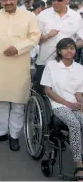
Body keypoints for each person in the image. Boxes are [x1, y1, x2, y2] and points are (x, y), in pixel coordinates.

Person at [0, 0, 41, 151]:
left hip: (19, 65)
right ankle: (1, 133)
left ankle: (14, 136)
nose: (8, 2)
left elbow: (35, 37)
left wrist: (18, 48)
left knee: (17, 103)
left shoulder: (29, 16)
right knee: (0, 101)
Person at [40, 38, 83, 181]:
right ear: (59, 51)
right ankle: (79, 164)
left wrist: (81, 104)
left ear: (75, 51)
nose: (69, 50)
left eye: (72, 48)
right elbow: (48, 90)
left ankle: (79, 151)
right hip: (58, 104)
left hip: (75, 104)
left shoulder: (79, 68)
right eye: (65, 48)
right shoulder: (52, 65)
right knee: (75, 124)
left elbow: (78, 94)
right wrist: (67, 103)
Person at [34, 0, 83, 95]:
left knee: (66, 95)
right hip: (44, 63)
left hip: (66, 65)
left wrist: (71, 47)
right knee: (42, 95)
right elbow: (34, 40)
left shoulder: (76, 17)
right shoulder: (42, 15)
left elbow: (81, 40)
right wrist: (47, 36)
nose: (55, 2)